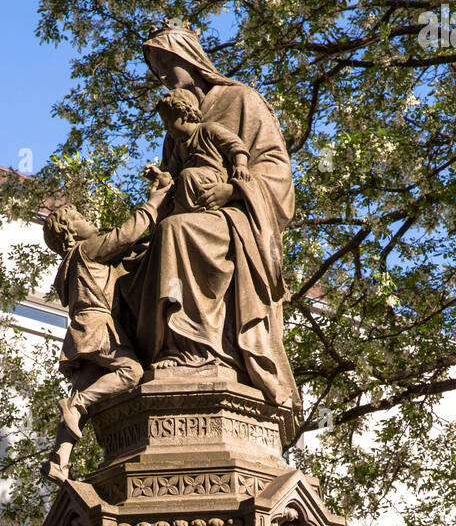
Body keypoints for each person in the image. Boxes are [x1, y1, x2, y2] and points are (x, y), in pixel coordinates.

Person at [116, 24, 301, 412]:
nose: (164, 75)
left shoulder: (241, 100)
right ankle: (150, 356)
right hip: (189, 212)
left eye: (168, 63)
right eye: (156, 69)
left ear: (191, 58)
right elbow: (171, 184)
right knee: (125, 271)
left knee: (176, 232)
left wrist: (233, 190)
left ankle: (199, 350)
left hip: (236, 219)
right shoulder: (176, 125)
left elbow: (275, 171)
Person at [40, 172, 173, 483]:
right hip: (98, 327)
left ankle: (59, 459)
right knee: (130, 373)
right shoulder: (87, 250)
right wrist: (154, 202)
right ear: (71, 234)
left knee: (84, 398)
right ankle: (76, 404)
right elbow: (126, 234)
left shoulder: (69, 267)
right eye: (81, 218)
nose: (90, 220)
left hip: (80, 332)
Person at [154, 87, 250, 214]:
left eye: (168, 121)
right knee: (172, 183)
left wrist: (241, 165)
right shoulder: (179, 146)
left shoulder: (207, 130)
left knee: (187, 175)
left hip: (214, 177)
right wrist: (159, 175)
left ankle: (189, 211)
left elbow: (236, 146)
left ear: (184, 114)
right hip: (193, 184)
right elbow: (172, 171)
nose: (166, 127)